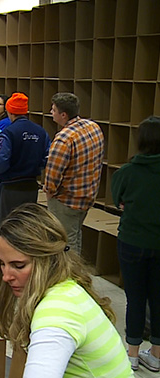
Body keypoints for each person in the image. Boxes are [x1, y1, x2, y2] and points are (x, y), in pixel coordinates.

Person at [0, 204, 133, 377]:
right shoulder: (67, 289)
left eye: (18, 265)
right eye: (2, 264)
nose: (6, 276)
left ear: (46, 262)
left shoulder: (57, 312)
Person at [111, 115, 160, 372]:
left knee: (135, 298)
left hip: (131, 240)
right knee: (158, 298)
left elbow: (116, 197)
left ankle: (131, 352)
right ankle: (156, 354)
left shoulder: (128, 171)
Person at [44, 92, 104, 255]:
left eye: (54, 109)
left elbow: (53, 173)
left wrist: (49, 192)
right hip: (87, 195)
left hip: (66, 200)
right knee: (75, 234)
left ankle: (69, 275)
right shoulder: (93, 127)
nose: (51, 112)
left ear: (63, 115)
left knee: (64, 241)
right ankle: (76, 273)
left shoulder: (63, 138)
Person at [0, 92, 49, 223]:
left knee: (9, 224)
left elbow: (1, 161)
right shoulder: (41, 132)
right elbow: (47, 157)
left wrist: (2, 173)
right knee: (27, 224)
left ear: (9, 111)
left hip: (11, 187)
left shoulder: (8, 133)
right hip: (31, 186)